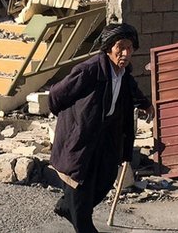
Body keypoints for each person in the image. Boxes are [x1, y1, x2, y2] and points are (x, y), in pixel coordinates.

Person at [49, 22, 154, 233]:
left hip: (106, 137)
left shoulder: (123, 75)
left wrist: (145, 104)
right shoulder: (89, 71)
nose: (125, 53)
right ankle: (81, 222)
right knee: (79, 187)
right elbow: (56, 96)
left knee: (105, 179)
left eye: (130, 48)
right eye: (120, 47)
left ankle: (65, 207)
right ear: (108, 48)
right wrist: (73, 121)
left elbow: (131, 90)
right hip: (82, 136)